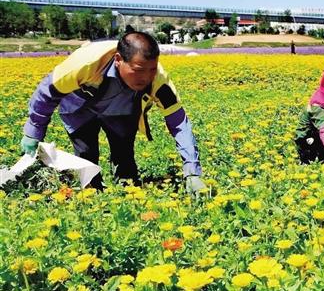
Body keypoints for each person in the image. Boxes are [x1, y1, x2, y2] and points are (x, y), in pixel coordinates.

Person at [19, 32, 206, 196]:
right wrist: (33, 132)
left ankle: (128, 194)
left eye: (152, 69)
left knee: (124, 154)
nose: (146, 77)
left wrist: (193, 172)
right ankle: (93, 197)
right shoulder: (85, 64)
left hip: (121, 111)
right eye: (139, 70)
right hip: (79, 109)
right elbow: (47, 93)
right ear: (118, 60)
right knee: (85, 154)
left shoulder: (157, 79)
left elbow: (178, 121)